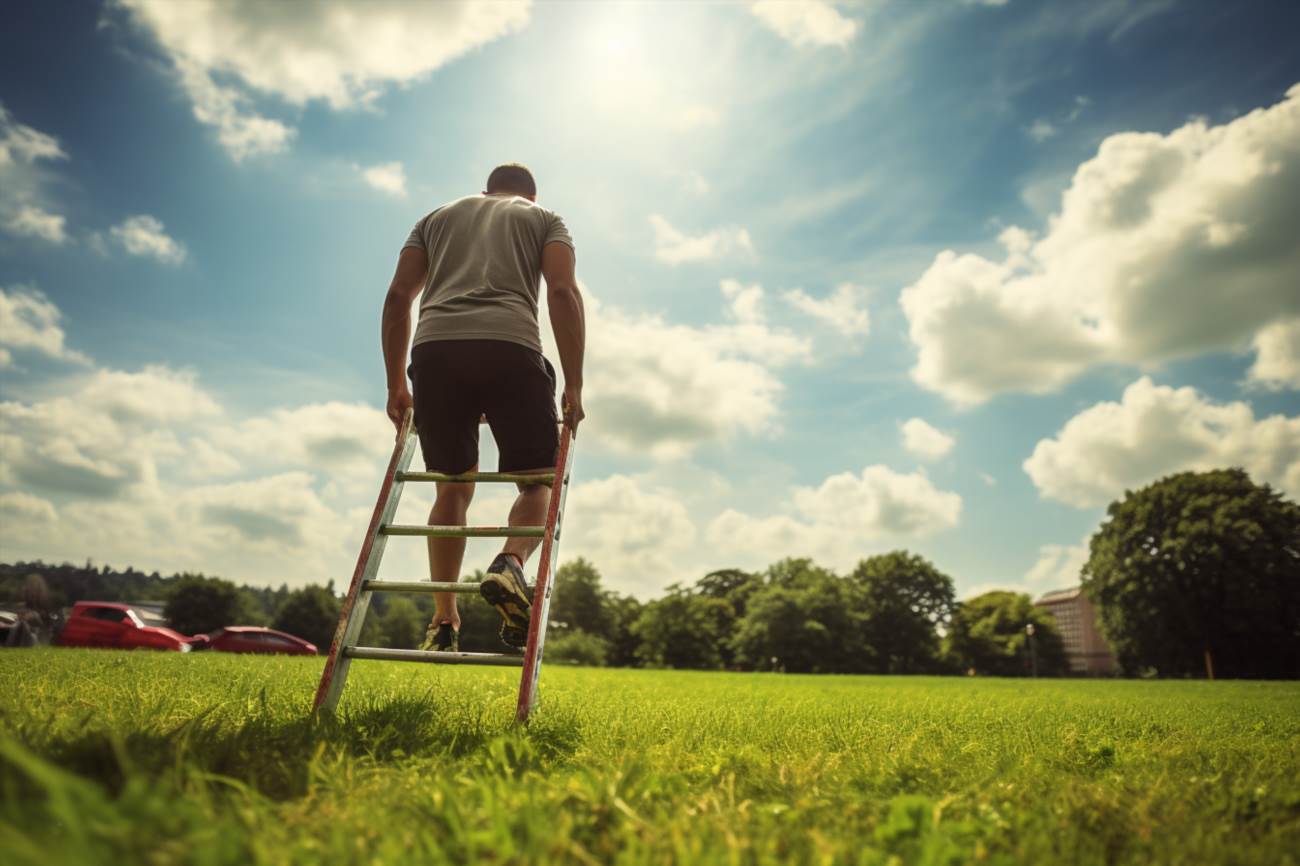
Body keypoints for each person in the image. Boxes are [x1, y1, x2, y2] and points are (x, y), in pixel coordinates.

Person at [380, 163, 586, 653]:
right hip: (509, 345)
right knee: (538, 481)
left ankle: (444, 620)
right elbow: (561, 291)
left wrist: (395, 384)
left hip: (435, 352)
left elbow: (397, 297)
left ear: (484, 191)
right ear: (531, 197)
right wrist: (574, 384)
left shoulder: (434, 218)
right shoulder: (545, 219)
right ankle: (511, 563)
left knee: (452, 487)